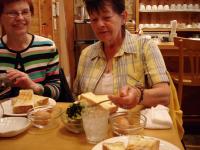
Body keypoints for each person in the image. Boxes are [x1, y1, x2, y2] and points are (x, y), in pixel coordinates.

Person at [73, 0, 170, 109]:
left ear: (123, 17)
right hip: (94, 123)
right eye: (94, 19)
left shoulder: (145, 47)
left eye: (106, 17)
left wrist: (139, 95)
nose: (99, 24)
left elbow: (165, 96)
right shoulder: (86, 54)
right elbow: (77, 96)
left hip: (133, 123)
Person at [0, 0, 60, 100]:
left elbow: (56, 92)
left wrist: (33, 86)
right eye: (12, 13)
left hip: (39, 114)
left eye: (25, 12)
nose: (20, 18)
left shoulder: (47, 47)